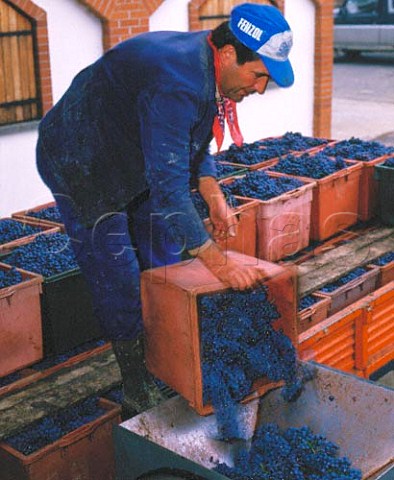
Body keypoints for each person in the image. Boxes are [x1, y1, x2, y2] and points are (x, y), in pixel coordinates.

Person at [36, 2, 294, 418]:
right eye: (258, 75)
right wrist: (219, 263)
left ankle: (165, 355)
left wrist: (211, 191)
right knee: (117, 271)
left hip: (134, 154)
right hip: (82, 164)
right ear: (230, 55)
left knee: (163, 255)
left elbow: (196, 136)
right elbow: (171, 190)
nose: (260, 89)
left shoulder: (210, 67)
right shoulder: (177, 80)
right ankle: (137, 383)